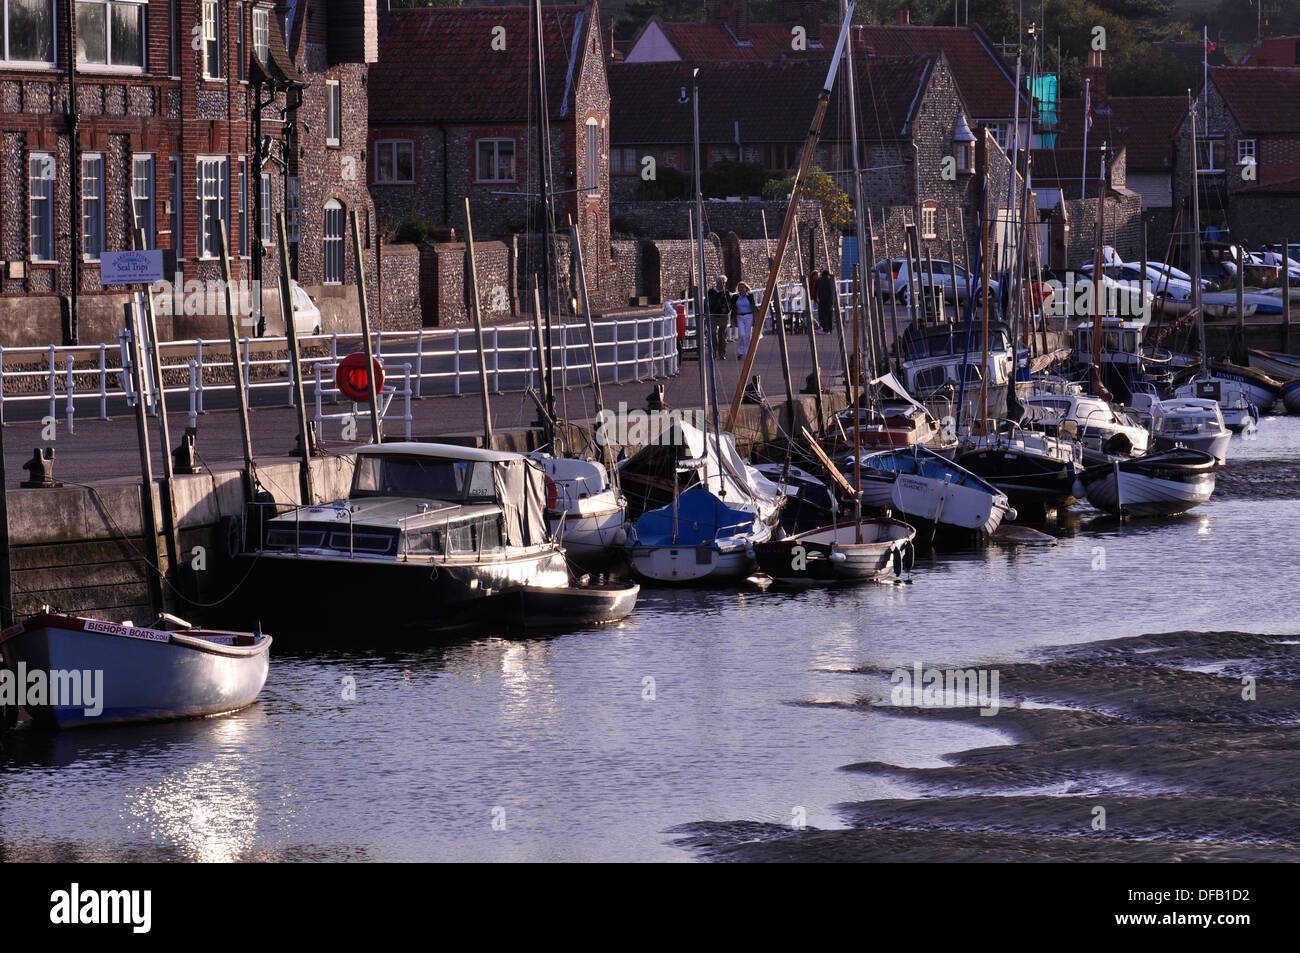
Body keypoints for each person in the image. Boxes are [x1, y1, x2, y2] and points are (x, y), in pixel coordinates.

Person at [707, 275, 733, 360]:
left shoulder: (726, 293)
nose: (723, 285)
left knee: (722, 335)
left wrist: (726, 309)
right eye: (721, 283)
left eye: (724, 283)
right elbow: (706, 303)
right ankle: (713, 352)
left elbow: (730, 304)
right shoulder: (711, 292)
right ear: (717, 283)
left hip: (723, 316)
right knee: (713, 333)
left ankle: (722, 353)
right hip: (713, 315)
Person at [732, 281, 757, 359]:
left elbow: (753, 305)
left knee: (747, 335)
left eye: (743, 288)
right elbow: (732, 306)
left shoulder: (749, 296)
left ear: (746, 288)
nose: (741, 289)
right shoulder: (735, 297)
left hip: (749, 316)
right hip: (739, 316)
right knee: (741, 334)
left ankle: (747, 352)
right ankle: (740, 351)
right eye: (739, 288)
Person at [814, 268, 838, 334]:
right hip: (829, 300)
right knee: (829, 315)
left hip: (821, 300)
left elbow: (815, 291)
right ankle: (830, 329)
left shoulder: (818, 280)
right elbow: (834, 291)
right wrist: (833, 300)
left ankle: (824, 329)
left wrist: (816, 299)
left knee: (822, 315)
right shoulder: (831, 280)